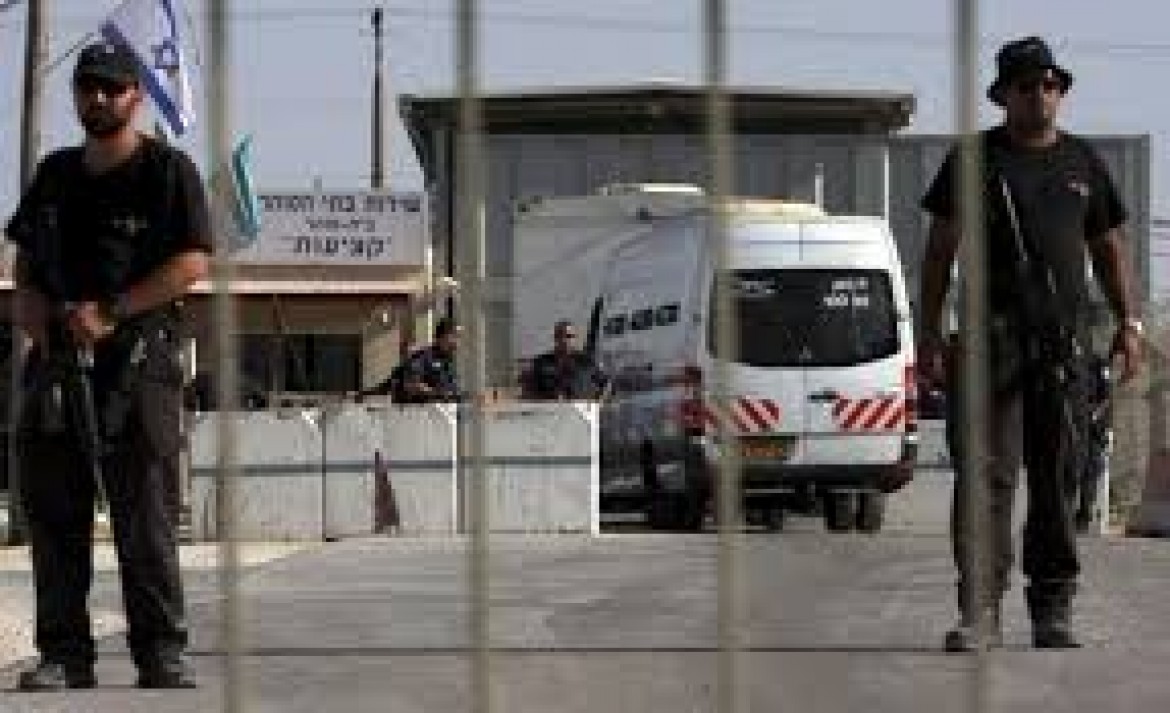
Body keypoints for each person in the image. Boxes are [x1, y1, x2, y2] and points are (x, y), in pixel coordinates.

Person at [918, 36, 1142, 652]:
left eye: (1050, 84)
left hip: (1064, 347)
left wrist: (1130, 324)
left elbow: (1109, 249)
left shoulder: (1083, 163)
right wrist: (929, 333)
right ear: (1003, 95)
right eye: (1026, 86)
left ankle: (1053, 606)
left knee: (1058, 475)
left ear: (1060, 92)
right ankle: (980, 611)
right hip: (988, 345)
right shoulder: (973, 160)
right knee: (984, 478)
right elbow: (939, 251)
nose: (1040, 95)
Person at [6, 41, 212, 689]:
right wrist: (32, 309)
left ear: (136, 95)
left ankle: (161, 651)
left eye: (111, 88)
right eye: (86, 87)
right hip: (58, 364)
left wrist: (112, 311)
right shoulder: (55, 175)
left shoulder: (166, 171)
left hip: (138, 362)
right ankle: (65, 654)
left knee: (145, 513)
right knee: (55, 517)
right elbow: (26, 264)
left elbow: (191, 262)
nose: (97, 97)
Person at [1075, 353, 1113, 533]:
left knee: (1090, 470)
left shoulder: (1098, 364)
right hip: (1076, 422)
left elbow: (1106, 397)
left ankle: (1084, 515)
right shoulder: (1071, 360)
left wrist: (1094, 415)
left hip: (1093, 428)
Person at [521, 320, 606, 401]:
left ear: (575, 338)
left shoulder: (587, 363)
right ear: (555, 338)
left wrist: (594, 401)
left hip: (579, 409)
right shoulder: (541, 363)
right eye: (560, 335)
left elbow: (605, 386)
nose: (564, 340)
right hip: (548, 409)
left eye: (569, 336)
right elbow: (527, 390)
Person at [394, 317, 462, 403]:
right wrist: (438, 394)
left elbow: (451, 389)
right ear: (442, 337)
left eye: (459, 337)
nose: (457, 341)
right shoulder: (424, 357)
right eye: (455, 336)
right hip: (425, 408)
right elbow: (411, 385)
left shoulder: (448, 361)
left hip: (448, 407)